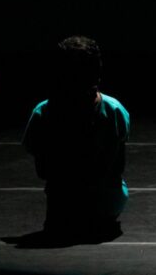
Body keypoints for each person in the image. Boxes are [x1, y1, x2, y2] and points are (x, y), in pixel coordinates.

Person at [23, 36, 130, 241]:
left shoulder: (43, 112)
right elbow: (119, 166)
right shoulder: (114, 109)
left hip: (62, 207)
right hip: (106, 204)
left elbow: (42, 171)